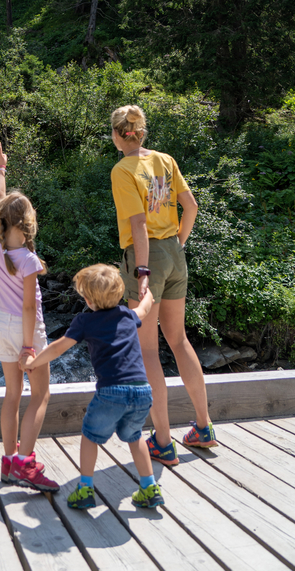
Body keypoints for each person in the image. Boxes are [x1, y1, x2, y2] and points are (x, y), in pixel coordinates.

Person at [110, 104, 218, 466]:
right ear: (142, 132)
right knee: (179, 339)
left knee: (147, 351)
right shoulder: (165, 160)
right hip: (174, 251)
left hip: (146, 258)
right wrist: (178, 245)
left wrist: (142, 270)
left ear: (117, 135)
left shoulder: (122, 170)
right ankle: (203, 427)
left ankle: (162, 441)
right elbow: (192, 207)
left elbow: (138, 224)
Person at [21, 264, 164, 509]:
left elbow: (59, 347)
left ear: (87, 300)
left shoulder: (85, 321)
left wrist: (33, 362)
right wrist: (147, 293)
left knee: (90, 435)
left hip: (111, 391)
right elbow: (144, 308)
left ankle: (85, 489)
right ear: (120, 294)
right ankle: (149, 487)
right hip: (142, 391)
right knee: (135, 436)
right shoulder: (127, 315)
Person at [0, 142, 59, 492]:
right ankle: (24, 464)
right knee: (41, 394)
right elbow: (30, 307)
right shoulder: (28, 261)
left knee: (12, 395)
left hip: (2, 324)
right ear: (28, 223)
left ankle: (8, 460)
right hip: (26, 328)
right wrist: (30, 347)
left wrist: (0, 169)